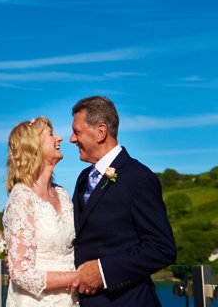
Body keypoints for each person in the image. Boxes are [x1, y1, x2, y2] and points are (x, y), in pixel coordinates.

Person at [70, 96, 176, 307]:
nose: (72, 139)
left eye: (77, 132)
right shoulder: (83, 178)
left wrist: (103, 271)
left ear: (100, 132)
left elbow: (162, 248)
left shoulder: (138, 177)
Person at [3, 116, 80, 307]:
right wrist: (77, 278)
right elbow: (21, 273)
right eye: (51, 134)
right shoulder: (22, 197)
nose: (60, 138)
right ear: (33, 146)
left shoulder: (62, 194)